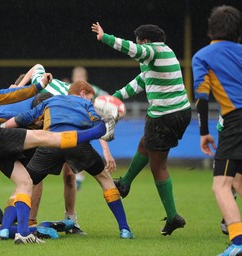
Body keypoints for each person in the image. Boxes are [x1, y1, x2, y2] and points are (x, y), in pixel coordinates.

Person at [0, 57, 113, 244]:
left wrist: (37, 86)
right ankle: (98, 131)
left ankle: (19, 233)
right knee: (44, 137)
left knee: (25, 181)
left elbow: (8, 95)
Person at [92, 22, 191, 236]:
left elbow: (133, 49)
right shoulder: (165, 53)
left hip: (164, 115)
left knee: (158, 167)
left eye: (139, 42)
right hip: (181, 112)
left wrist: (105, 37)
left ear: (145, 41)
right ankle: (125, 183)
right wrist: (114, 98)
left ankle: (173, 216)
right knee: (145, 143)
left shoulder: (152, 51)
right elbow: (138, 84)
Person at [3, 80, 132, 239]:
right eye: (90, 98)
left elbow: (22, 118)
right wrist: (110, 121)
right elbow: (99, 126)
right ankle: (125, 230)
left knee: (23, 185)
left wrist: (0, 130)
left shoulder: (50, 100)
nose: (90, 102)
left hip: (50, 144)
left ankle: (4, 228)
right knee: (106, 180)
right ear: (83, 93)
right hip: (78, 144)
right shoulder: (85, 104)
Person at [191, 5, 242, 255]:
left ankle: (238, 241)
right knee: (241, 181)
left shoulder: (203, 56)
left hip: (236, 122)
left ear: (211, 28)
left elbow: (202, 97)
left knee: (221, 185)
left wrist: (204, 131)